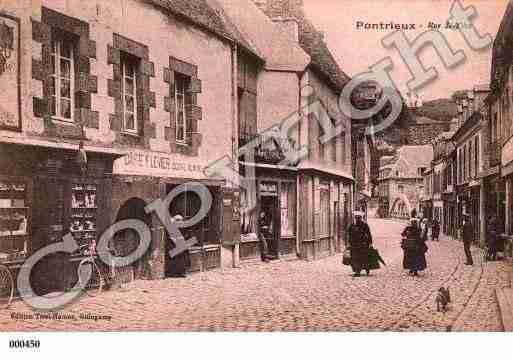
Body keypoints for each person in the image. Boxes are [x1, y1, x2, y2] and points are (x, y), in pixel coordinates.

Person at [348, 211, 373, 277]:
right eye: (356, 218)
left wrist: (370, 243)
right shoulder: (352, 225)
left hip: (363, 244)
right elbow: (349, 234)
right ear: (355, 218)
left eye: (359, 218)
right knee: (355, 258)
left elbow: (369, 234)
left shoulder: (364, 225)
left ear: (361, 218)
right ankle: (357, 271)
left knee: (362, 258)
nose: (357, 219)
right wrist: (349, 243)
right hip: (354, 244)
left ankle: (365, 269)